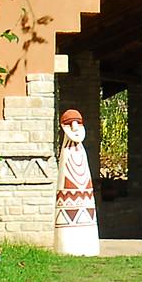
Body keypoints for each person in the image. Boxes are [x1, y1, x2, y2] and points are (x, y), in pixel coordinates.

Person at [54, 108, 100, 256]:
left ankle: (87, 246)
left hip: (85, 198)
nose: (74, 127)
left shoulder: (81, 151)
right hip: (67, 198)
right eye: (70, 124)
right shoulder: (66, 152)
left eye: (78, 123)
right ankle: (69, 247)